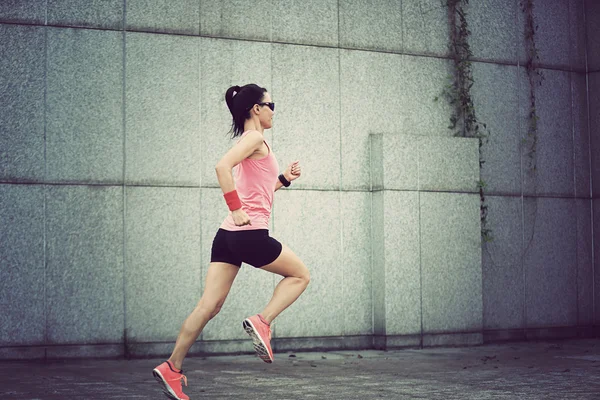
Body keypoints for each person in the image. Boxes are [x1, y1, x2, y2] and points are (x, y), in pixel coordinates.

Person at [152, 84, 311, 400]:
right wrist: (236, 209)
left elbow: (259, 191)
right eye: (271, 104)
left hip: (226, 238)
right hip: (249, 233)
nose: (273, 110)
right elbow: (221, 167)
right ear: (256, 108)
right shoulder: (254, 138)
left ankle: (172, 367)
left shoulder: (250, 142)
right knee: (300, 275)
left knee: (209, 305)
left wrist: (283, 180)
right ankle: (262, 322)